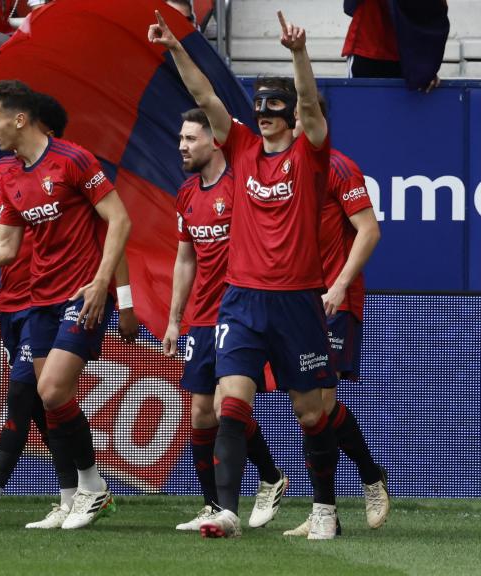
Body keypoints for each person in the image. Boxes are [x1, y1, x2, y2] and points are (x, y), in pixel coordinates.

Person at [150, 10, 341, 539]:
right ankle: (226, 511)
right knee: (229, 399)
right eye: (258, 106)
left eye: (272, 107)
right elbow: (207, 96)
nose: (263, 115)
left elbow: (308, 103)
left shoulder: (310, 153)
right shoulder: (240, 148)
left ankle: (325, 510)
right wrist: (176, 48)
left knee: (310, 413)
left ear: (291, 118)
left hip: (297, 299)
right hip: (241, 299)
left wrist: (298, 54)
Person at [0, 79, 131, 530]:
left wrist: (102, 283)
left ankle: (89, 490)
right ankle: (85, 492)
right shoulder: (9, 174)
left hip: (80, 294)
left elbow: (120, 218)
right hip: (38, 298)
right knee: (49, 399)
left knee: (52, 390)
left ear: (19, 119)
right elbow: (5, 248)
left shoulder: (73, 160)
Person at [163, 108, 288, 532]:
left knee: (224, 406)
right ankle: (215, 505)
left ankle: (270, 479)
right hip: (199, 315)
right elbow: (185, 258)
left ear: (215, 141)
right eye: (180, 138)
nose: (182, 145)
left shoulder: (243, 187)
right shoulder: (185, 194)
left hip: (239, 311)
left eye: (191, 138)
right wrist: (174, 319)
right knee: (200, 414)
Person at [281, 100, 388, 536]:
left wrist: (340, 285)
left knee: (319, 406)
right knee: (308, 410)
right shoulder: (281, 174)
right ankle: (359, 481)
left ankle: (340, 498)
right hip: (293, 301)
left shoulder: (340, 168)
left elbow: (369, 229)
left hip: (333, 301)